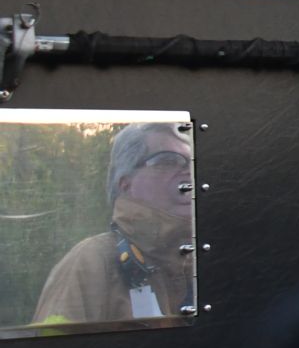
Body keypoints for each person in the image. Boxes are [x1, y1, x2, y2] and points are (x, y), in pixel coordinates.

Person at [33, 122, 195, 324]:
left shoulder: (207, 259)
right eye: (168, 160)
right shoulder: (90, 262)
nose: (188, 171)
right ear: (126, 184)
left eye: (191, 162)